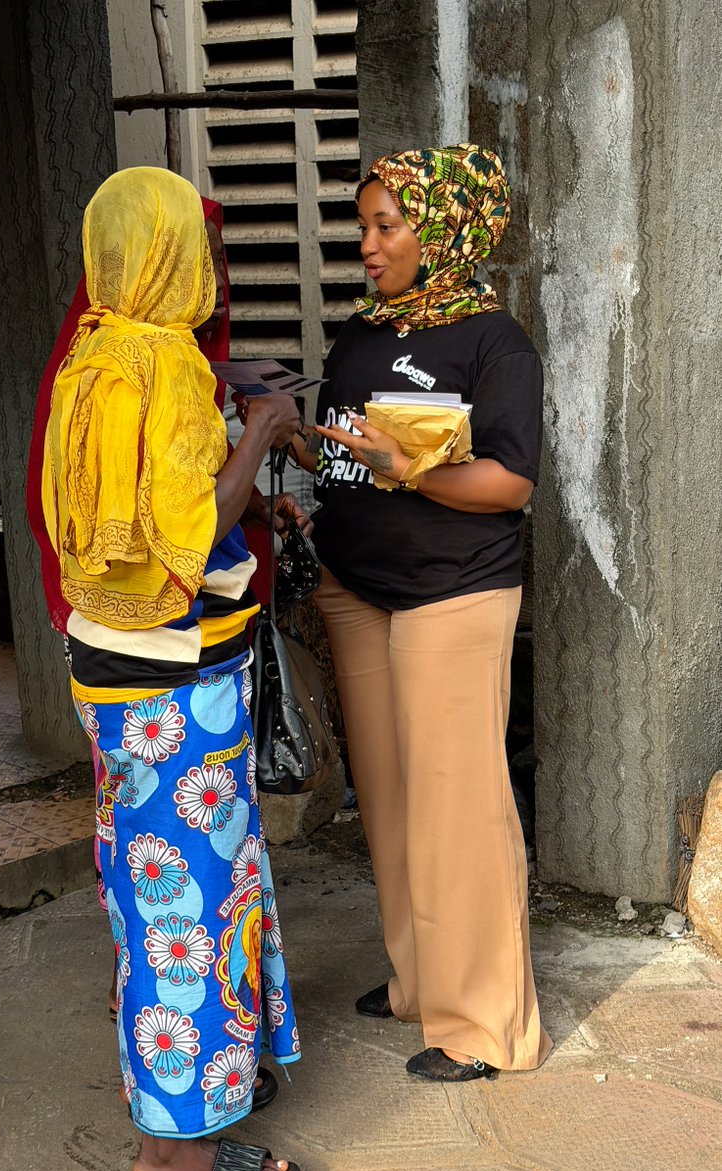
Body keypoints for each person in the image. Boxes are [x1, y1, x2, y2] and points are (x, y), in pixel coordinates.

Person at [38, 165, 305, 1171]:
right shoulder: (161, 366)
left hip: (111, 668)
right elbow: (189, 530)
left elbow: (132, 510)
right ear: (167, 256)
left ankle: (192, 1101)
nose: (212, 270)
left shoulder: (93, 354)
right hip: (175, 681)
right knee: (185, 911)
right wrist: (265, 430)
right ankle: (175, 1157)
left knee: (149, 887)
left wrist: (242, 447)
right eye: (202, 250)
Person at [293, 144, 552, 1081]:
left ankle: (484, 1024)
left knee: (458, 803)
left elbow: (511, 480)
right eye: (362, 226)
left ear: (442, 231)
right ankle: (419, 979)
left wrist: (414, 471)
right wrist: (310, 460)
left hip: (455, 588)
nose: (367, 245)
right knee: (393, 799)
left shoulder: (494, 342)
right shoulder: (362, 334)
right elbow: (353, 454)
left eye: (386, 226)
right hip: (357, 586)